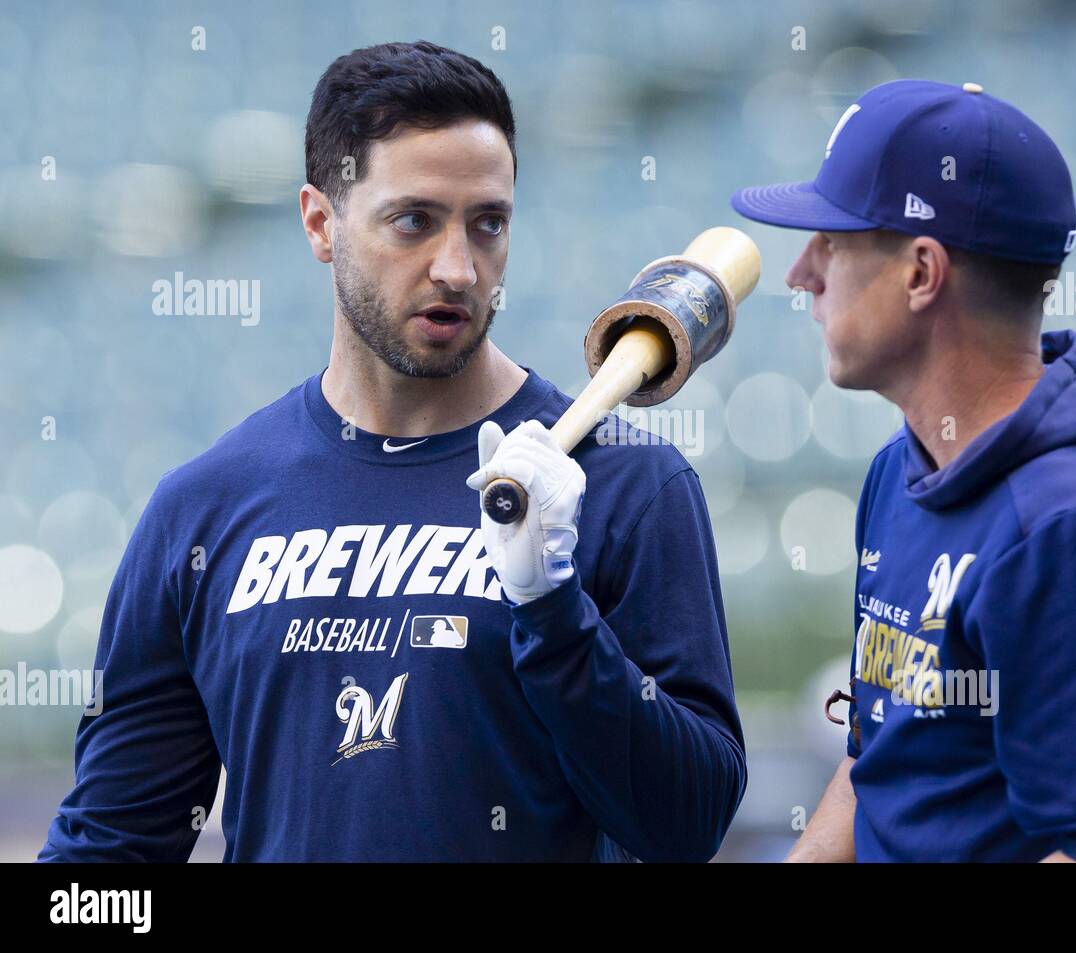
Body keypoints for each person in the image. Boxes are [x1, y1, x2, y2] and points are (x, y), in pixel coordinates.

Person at [39, 40, 744, 863]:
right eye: (414, 220)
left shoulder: (627, 486)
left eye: (488, 224)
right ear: (320, 222)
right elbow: (112, 849)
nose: (457, 268)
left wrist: (553, 611)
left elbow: (686, 824)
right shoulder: (204, 507)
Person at [731, 79, 1076, 862]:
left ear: (922, 272)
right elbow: (880, 759)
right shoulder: (903, 466)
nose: (800, 274)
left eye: (833, 241)